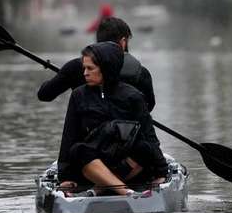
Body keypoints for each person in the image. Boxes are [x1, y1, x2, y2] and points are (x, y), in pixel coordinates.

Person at [57, 42, 167, 197]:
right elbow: (69, 136)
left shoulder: (133, 96)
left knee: (144, 148)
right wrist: (64, 177)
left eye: (90, 68)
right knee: (77, 150)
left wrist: (161, 172)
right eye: (84, 68)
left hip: (126, 164)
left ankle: (99, 188)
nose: (85, 73)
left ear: (106, 68)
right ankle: (126, 192)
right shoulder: (78, 96)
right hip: (93, 163)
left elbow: (150, 135)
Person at [38, 16, 156, 112]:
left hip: (88, 137)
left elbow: (44, 95)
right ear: (123, 42)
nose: (87, 72)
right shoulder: (141, 72)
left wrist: (63, 76)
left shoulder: (74, 68)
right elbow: (149, 106)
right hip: (128, 136)